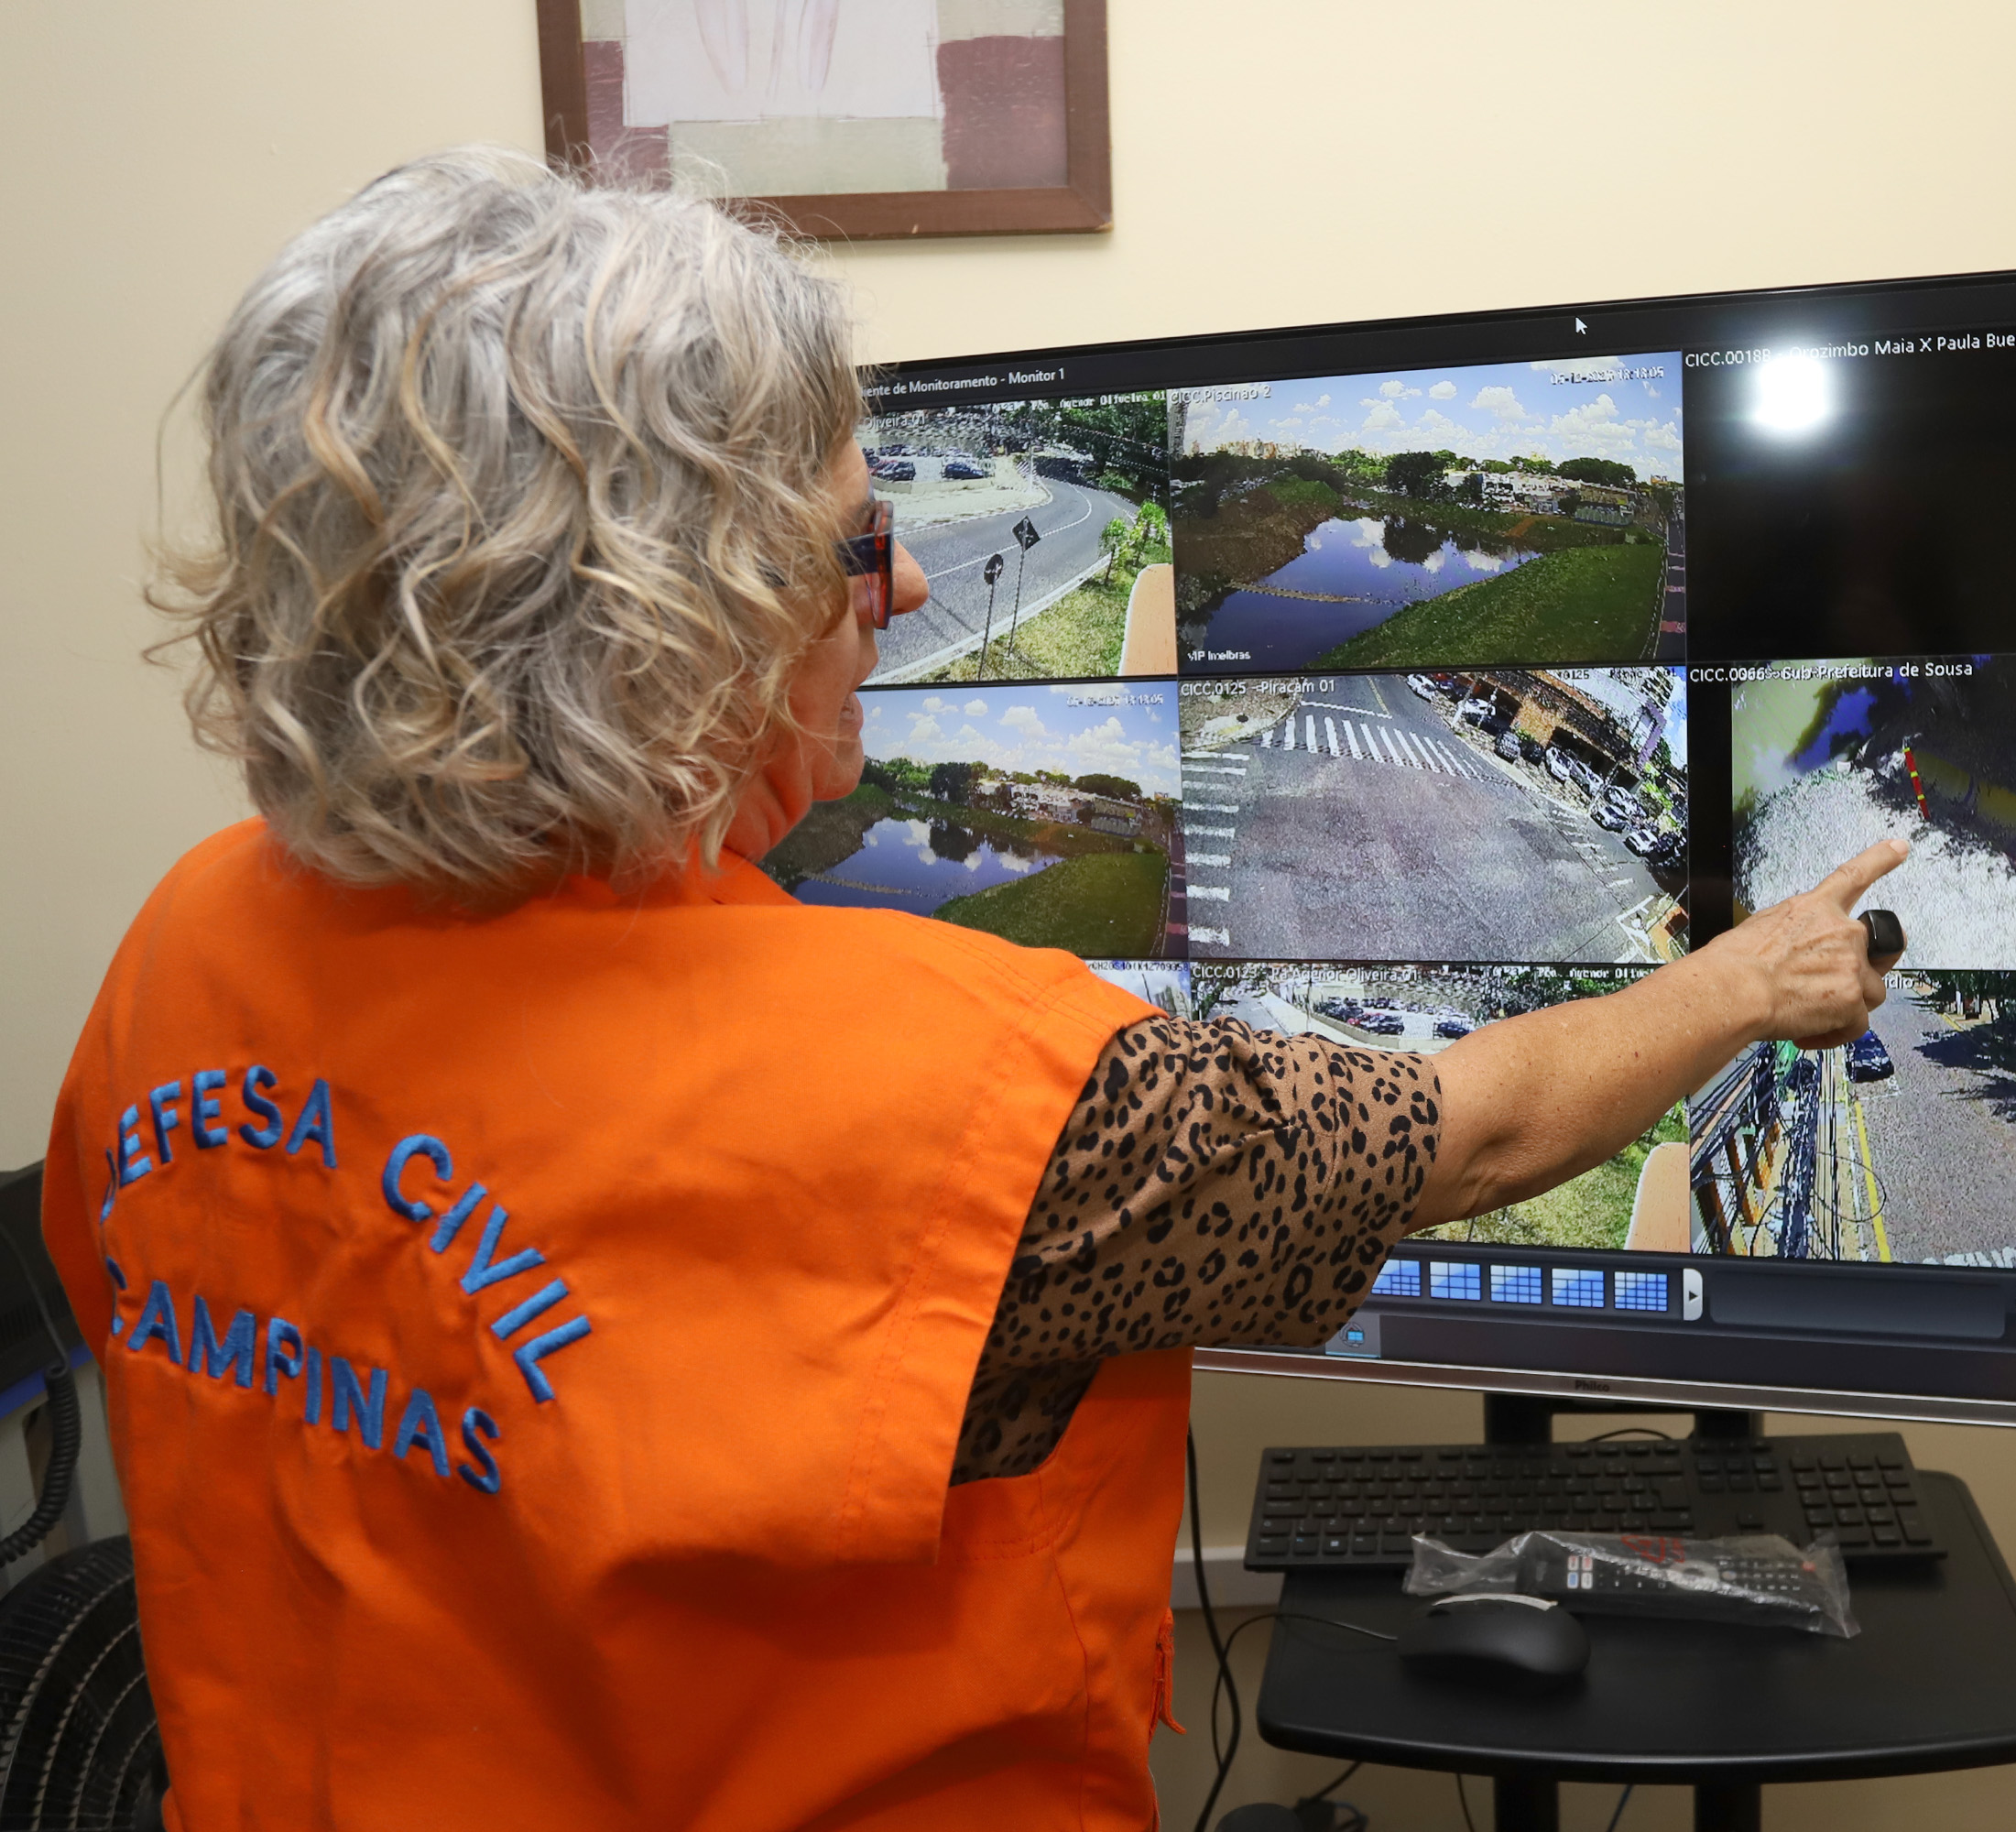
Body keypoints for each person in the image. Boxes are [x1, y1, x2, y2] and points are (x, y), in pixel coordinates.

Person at [39, 148, 1904, 1830]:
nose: (912, 573)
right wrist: (1752, 974)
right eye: (860, 538)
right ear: (669, 603)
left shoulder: (184, 944)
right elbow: (1481, 1129)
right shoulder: (981, 1089)